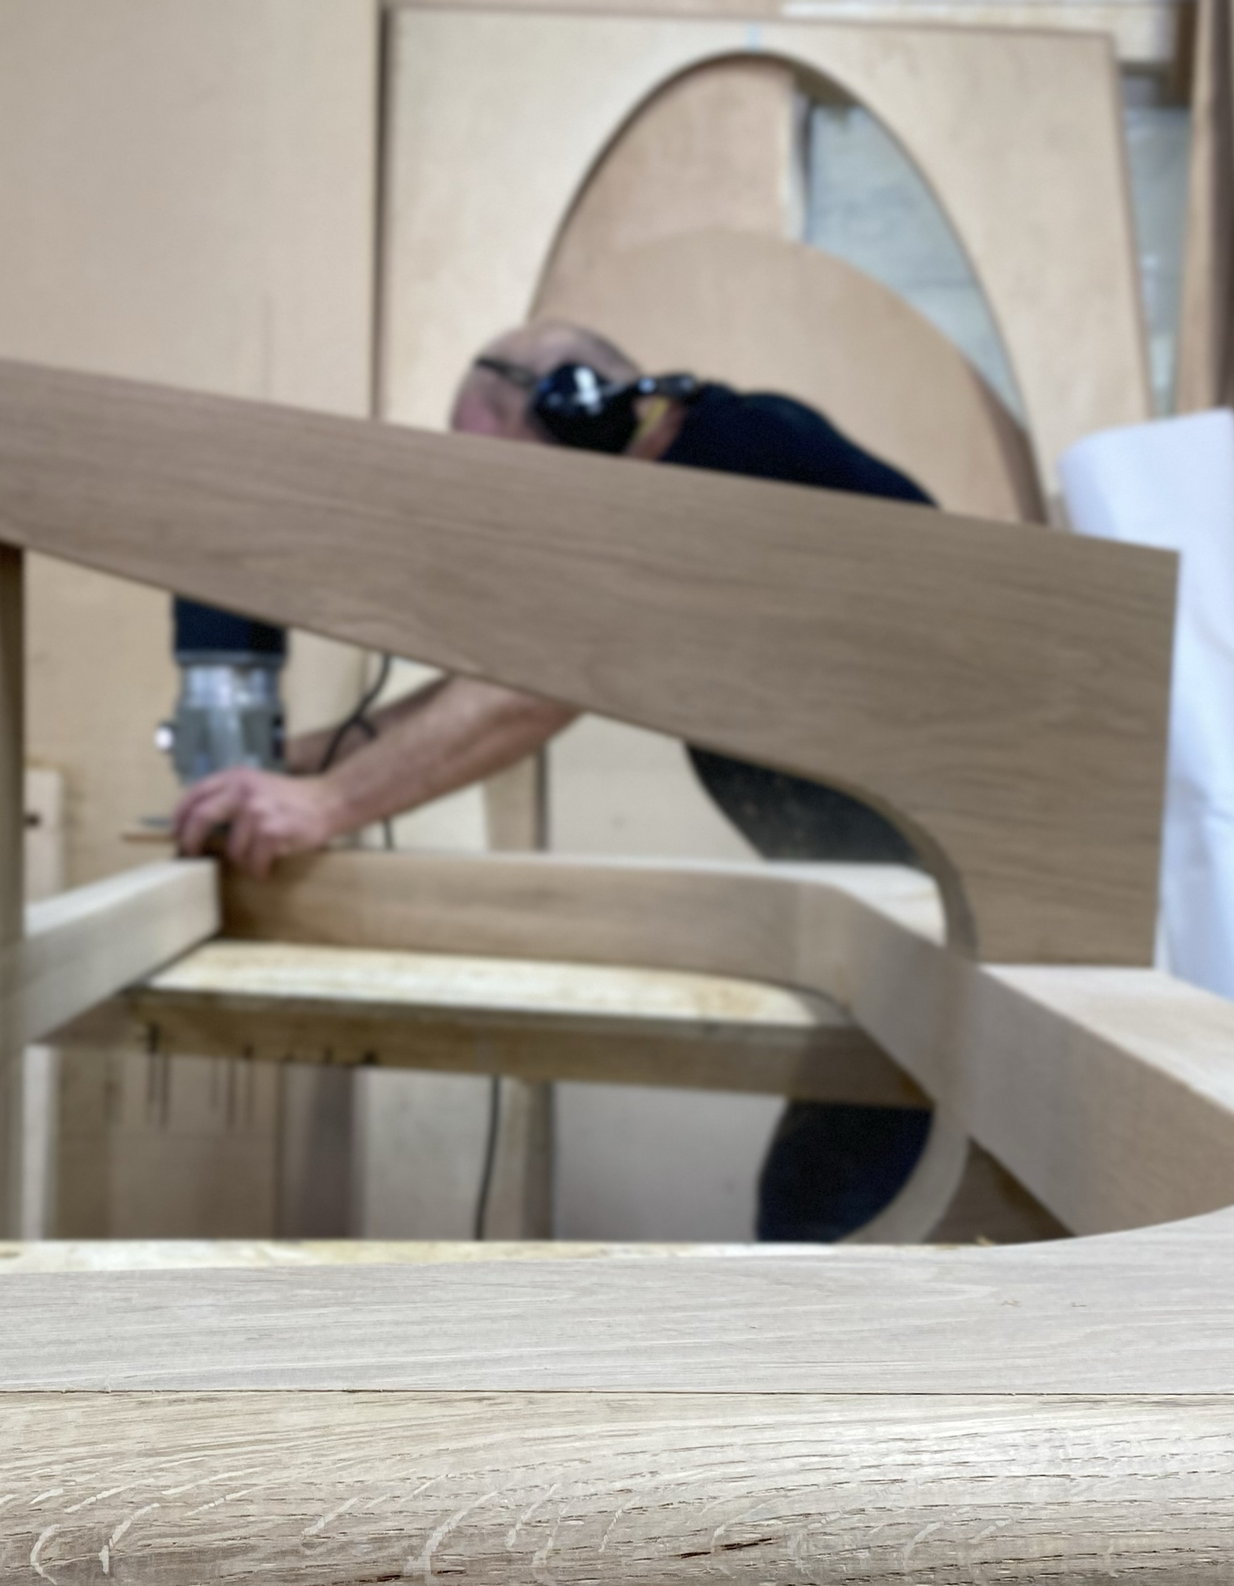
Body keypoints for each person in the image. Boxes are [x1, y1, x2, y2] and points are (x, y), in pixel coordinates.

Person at [172, 319, 935, 1241]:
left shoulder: (728, 465)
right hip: (906, 922)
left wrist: (329, 803)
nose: (501, 514)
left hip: (958, 932)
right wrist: (307, 758)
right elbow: (511, 672)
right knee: (825, 1210)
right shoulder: (713, 453)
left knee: (836, 1227)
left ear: (573, 411)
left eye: (503, 474)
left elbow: (544, 682)